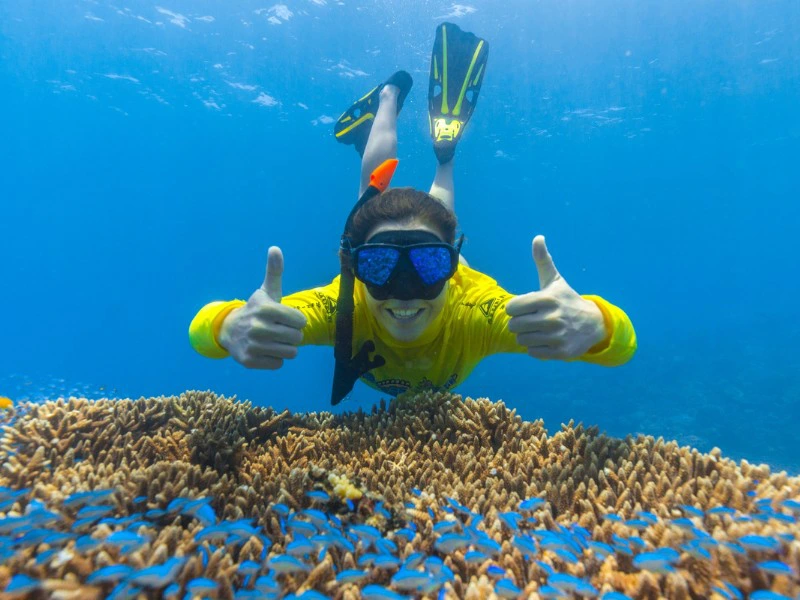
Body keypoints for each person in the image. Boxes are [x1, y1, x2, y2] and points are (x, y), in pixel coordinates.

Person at [189, 23, 637, 405]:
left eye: (427, 265)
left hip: (433, 255)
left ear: (452, 264)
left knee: (390, 192)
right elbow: (206, 325)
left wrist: (596, 325)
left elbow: (620, 345)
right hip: (394, 243)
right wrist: (229, 326)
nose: (404, 293)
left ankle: (439, 152)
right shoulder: (342, 307)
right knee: (376, 192)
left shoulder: (473, 312)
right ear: (354, 266)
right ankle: (388, 98)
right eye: (380, 266)